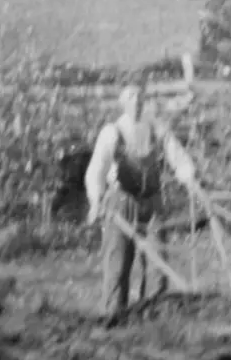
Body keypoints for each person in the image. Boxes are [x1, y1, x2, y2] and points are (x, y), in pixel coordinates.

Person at [84, 79, 198, 322]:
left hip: (152, 202)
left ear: (144, 102)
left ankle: (155, 315)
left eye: (139, 98)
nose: (136, 103)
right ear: (122, 103)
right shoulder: (112, 132)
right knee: (118, 262)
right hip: (121, 201)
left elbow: (177, 155)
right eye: (130, 98)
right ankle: (113, 315)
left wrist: (189, 180)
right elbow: (97, 169)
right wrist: (95, 200)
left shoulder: (155, 127)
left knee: (159, 259)